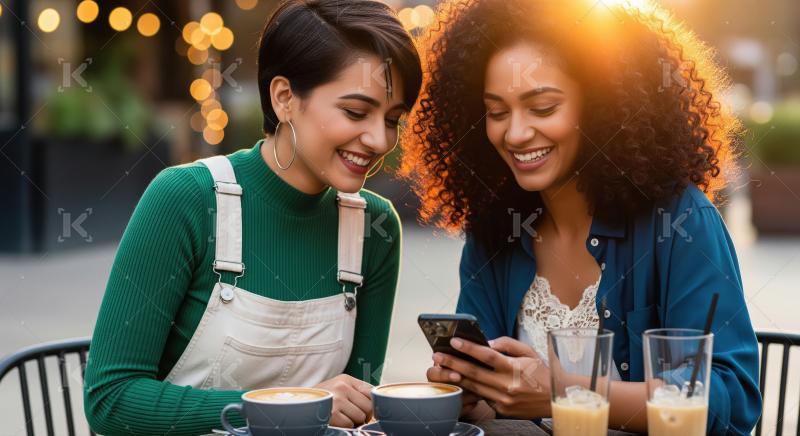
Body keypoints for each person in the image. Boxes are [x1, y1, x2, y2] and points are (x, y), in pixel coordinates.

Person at [399, 0, 761, 433]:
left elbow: (729, 400)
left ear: (602, 104)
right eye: (496, 112)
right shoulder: (496, 228)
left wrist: (566, 391)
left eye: (543, 108)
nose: (514, 133)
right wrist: (471, 392)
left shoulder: (681, 222)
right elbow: (493, 410)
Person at [83, 1, 421, 433]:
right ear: (284, 98)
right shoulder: (185, 200)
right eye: (356, 112)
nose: (379, 139)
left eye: (393, 119)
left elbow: (354, 409)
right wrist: (291, 406)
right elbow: (111, 400)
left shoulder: (375, 228)